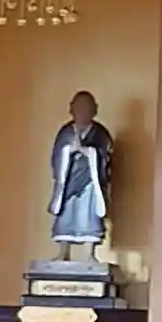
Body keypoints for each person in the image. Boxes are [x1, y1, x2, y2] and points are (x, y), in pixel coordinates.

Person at [48, 90, 113, 260]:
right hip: (68, 183)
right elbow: (56, 156)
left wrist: (88, 152)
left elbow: (106, 157)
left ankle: (90, 253)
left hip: (90, 183)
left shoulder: (100, 133)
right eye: (79, 108)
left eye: (86, 108)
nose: (82, 112)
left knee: (89, 215)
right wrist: (68, 151)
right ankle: (63, 252)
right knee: (66, 214)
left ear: (94, 110)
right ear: (71, 110)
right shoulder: (66, 133)